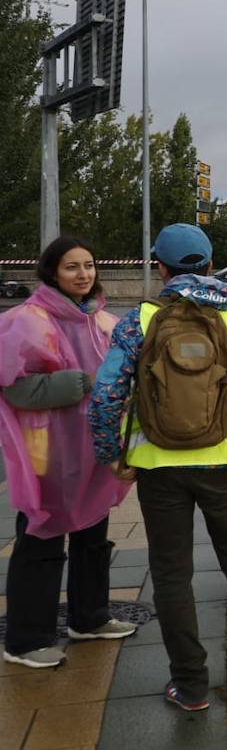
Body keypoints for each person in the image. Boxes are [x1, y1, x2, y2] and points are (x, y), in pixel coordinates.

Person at [88, 223, 227, 710]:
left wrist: (110, 453)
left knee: (172, 573)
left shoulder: (139, 320)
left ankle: (191, 685)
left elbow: (105, 398)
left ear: (159, 266)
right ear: (210, 261)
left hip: (159, 467)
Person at [0, 237, 136, 669]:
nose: (83, 275)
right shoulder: (29, 321)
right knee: (41, 538)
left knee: (93, 534)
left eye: (89, 266)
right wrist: (78, 383)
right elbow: (14, 387)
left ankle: (90, 618)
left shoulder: (104, 323)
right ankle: (25, 639)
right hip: (50, 450)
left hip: (95, 448)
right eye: (72, 267)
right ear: (51, 272)